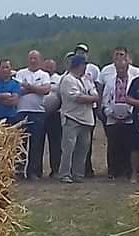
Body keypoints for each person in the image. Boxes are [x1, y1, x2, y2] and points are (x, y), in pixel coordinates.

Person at [58, 55, 99, 184]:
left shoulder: (86, 79)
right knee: (68, 148)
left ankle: (78, 174)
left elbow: (95, 94)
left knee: (83, 148)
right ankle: (65, 173)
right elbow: (77, 98)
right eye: (83, 64)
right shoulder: (67, 80)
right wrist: (90, 98)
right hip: (72, 117)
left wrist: (90, 97)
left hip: (86, 118)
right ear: (77, 65)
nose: (85, 67)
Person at [15, 50, 51, 179]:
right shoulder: (20, 73)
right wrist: (36, 89)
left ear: (40, 60)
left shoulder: (44, 75)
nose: (33, 60)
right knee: (20, 143)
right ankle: (18, 171)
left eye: (35, 58)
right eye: (31, 58)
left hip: (38, 112)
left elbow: (46, 90)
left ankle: (34, 172)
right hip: (22, 111)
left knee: (37, 143)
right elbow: (18, 90)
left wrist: (29, 87)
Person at [102, 58, 136, 180]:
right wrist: (109, 112)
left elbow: (134, 96)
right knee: (113, 145)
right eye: (118, 68)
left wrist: (130, 113)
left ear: (128, 67)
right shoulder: (110, 81)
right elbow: (105, 98)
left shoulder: (133, 80)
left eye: (123, 68)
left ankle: (127, 169)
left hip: (129, 116)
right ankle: (113, 170)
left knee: (128, 144)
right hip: (113, 116)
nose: (121, 70)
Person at [42, 59, 62, 177]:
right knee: (38, 144)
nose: (48, 68)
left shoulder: (59, 79)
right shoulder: (40, 77)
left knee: (55, 144)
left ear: (55, 67)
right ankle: (36, 170)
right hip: (39, 113)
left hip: (55, 115)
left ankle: (55, 169)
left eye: (51, 66)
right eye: (47, 66)